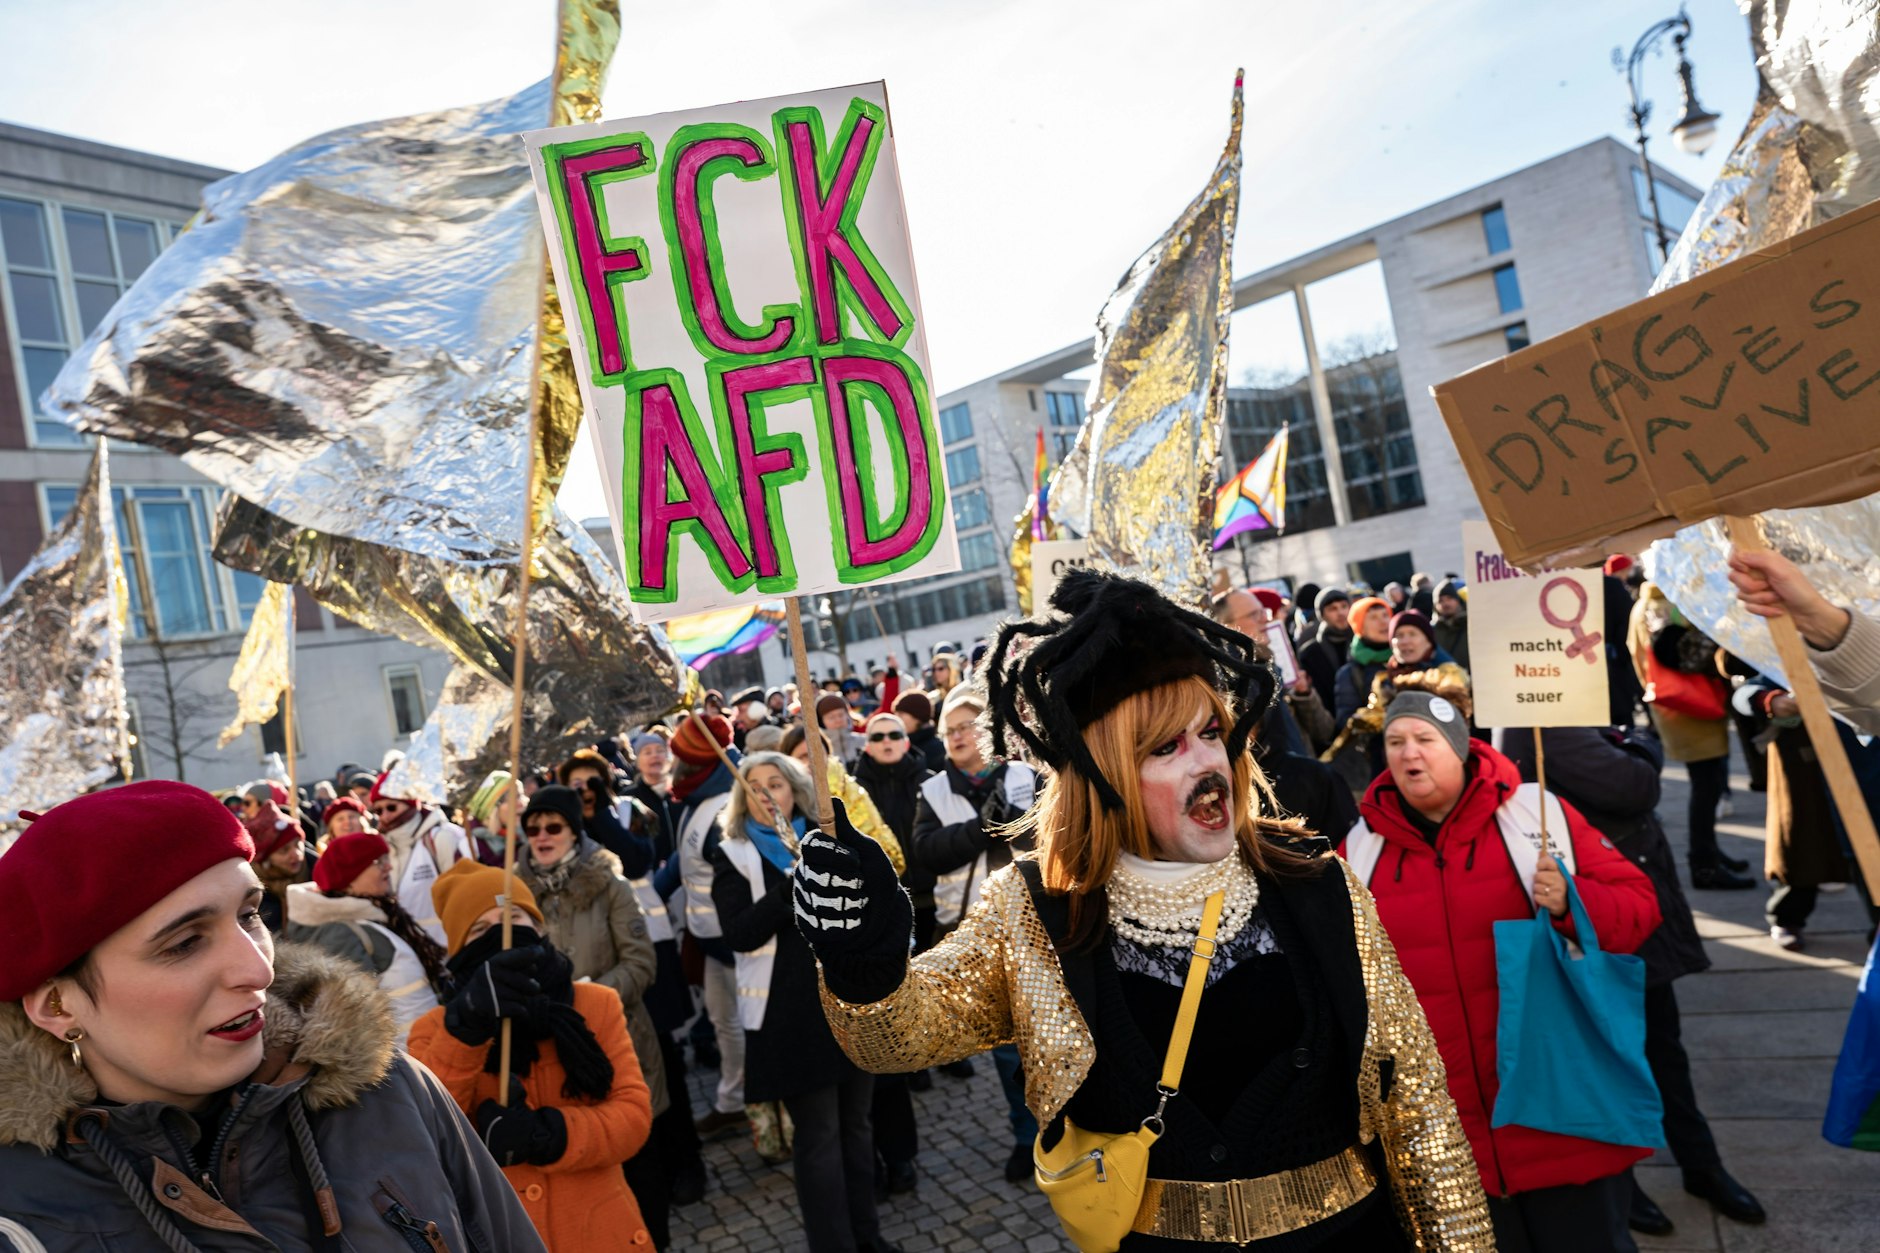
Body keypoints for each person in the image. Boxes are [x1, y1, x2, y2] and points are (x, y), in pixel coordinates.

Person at [795, 570, 1494, 1250]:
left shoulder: (1318, 885)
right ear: (1105, 776)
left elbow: (1420, 1111)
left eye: (1211, 732)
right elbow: (900, 1037)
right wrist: (864, 960)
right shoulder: (1038, 911)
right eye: (1166, 747)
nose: (1206, 763)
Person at [0, 781, 547, 1252]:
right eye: (185, 943)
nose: (257, 970)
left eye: (250, 914)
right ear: (58, 1004)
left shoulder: (392, 1093)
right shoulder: (16, 1210)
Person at [1342, 683, 1661, 1252]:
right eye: (1395, 741)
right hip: (1450, 1141)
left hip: (1560, 1117)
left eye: (1424, 738)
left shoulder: (1536, 817)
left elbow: (1639, 909)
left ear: (1461, 747)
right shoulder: (1361, 851)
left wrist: (1570, 902)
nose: (1408, 753)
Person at [1496, 724, 1766, 1235]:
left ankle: (1701, 1165)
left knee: (1666, 1050)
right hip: (1588, 923)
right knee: (1613, 1057)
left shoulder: (1577, 720)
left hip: (1625, 912)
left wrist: (1629, 741)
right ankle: (1627, 1178)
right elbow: (1634, 783)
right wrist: (1639, 743)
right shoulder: (1544, 725)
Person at [707, 754, 904, 1253]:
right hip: (788, 1014)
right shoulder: (733, 854)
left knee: (858, 1128)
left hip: (845, 999)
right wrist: (789, 887)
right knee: (818, 1139)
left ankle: (869, 1237)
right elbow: (739, 934)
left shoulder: (828, 840)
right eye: (755, 785)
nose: (767, 792)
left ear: (795, 788)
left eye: (776, 782)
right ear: (742, 797)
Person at [407, 861, 653, 1252]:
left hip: (603, 1234)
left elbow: (633, 1118)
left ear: (539, 928)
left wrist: (548, 1135)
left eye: (514, 917)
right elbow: (425, 1137)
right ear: (460, 953)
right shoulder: (435, 1031)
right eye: (481, 930)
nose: (502, 935)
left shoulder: (595, 1004)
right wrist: (466, 1031)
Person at [514, 785, 673, 1248]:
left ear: (574, 831)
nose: (541, 836)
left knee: (640, 1166)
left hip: (620, 1040)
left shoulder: (611, 883)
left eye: (553, 827)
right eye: (533, 828)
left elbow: (641, 963)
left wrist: (586, 1003)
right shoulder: (513, 895)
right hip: (552, 1057)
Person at [909, 683, 1042, 1178]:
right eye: (950, 730)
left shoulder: (1027, 775)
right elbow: (925, 853)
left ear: (988, 730)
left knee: (1055, 1033)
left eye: (967, 726)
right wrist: (978, 830)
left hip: (1039, 923)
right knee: (1008, 1048)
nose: (958, 736)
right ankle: (1027, 1137)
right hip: (974, 934)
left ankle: (1074, 1126)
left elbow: (1062, 830)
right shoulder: (934, 789)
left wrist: (1021, 827)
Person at [1627, 584, 1754, 890]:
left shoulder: (1650, 600)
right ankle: (1704, 863)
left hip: (1680, 708)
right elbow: (1679, 652)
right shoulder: (1664, 603)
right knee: (1706, 787)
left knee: (1706, 787)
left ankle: (1709, 853)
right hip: (1688, 708)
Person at [661, 712, 748, 1140]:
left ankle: (756, 1104)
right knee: (724, 1023)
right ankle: (734, 1101)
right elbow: (685, 860)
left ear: (699, 764)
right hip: (710, 937)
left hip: (733, 942)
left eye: (681, 760)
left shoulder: (724, 808)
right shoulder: (698, 803)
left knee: (741, 1024)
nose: (673, 768)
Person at [284, 830, 452, 1045]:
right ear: (349, 880)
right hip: (403, 1060)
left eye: (386, 859)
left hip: (423, 1049)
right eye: (378, 861)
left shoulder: (373, 918)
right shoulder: (340, 933)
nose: (388, 866)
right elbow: (355, 1021)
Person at [368, 771, 476, 944]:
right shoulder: (383, 850)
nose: (385, 816)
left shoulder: (441, 837)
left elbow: (467, 895)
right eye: (378, 810)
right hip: (409, 952)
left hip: (449, 947)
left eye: (392, 807)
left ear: (410, 804)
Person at [782, 724, 906, 874]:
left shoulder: (849, 788)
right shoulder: (786, 798)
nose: (812, 761)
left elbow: (876, 834)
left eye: (817, 752)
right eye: (803, 756)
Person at [560, 748, 653, 877]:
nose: (586, 789)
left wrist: (603, 815)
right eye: (577, 784)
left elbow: (636, 866)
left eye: (593, 782)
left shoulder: (630, 808)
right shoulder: (561, 824)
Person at [246, 783, 315, 934]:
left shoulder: (319, 873)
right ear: (266, 859)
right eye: (284, 850)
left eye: (298, 844)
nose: (296, 854)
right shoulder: (252, 895)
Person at [1332, 595, 1395, 729]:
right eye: (1373, 618)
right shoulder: (1350, 674)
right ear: (1360, 628)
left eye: (1385, 615)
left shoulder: (1410, 655)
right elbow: (1346, 722)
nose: (1383, 622)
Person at [1297, 586, 1353, 709]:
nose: (1341, 613)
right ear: (1322, 615)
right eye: (1333, 609)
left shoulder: (1360, 642)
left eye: (1344, 606)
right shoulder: (1310, 653)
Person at [892, 689, 947, 772]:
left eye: (901, 714)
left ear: (917, 717)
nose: (897, 720)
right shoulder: (898, 744)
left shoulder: (938, 751)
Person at [1431, 581, 1470, 672]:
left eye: (1449, 599)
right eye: (1440, 601)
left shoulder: (1470, 624)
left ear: (1458, 601)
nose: (1445, 603)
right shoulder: (1432, 630)